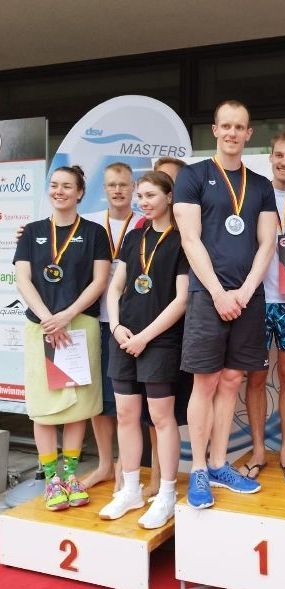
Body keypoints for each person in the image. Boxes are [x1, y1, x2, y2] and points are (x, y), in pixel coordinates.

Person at [174, 99, 277, 508]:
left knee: (233, 379)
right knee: (206, 381)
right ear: (215, 130)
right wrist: (218, 292)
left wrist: (245, 291)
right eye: (226, 126)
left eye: (240, 127)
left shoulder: (261, 185)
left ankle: (219, 463)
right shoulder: (193, 176)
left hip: (248, 297)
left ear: (248, 133)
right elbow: (190, 239)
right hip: (207, 296)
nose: (233, 133)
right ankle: (199, 468)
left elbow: (267, 242)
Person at [14, 166, 111, 510]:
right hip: (40, 327)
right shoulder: (32, 231)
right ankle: (51, 481)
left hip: (79, 326)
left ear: (80, 192)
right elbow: (22, 279)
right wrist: (47, 319)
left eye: (67, 186)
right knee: (43, 409)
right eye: (54, 185)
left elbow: (100, 281)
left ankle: (70, 476)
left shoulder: (95, 232)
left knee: (77, 406)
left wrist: (67, 316)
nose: (60, 191)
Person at [98, 171, 189, 528]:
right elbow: (115, 287)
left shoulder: (182, 239)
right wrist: (116, 327)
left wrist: (145, 337)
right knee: (125, 414)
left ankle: (166, 493)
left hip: (160, 341)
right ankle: (131, 489)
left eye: (151, 195)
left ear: (169, 196)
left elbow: (182, 300)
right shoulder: (134, 236)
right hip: (124, 337)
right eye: (141, 196)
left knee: (162, 419)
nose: (143, 202)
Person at [242, 130, 285, 482]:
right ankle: (258, 449)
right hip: (255, 300)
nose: (284, 162)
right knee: (255, 378)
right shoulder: (253, 197)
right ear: (270, 157)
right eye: (279, 155)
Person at [80, 162, 142, 491]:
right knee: (99, 399)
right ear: (103, 189)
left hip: (133, 324)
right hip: (95, 320)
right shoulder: (89, 224)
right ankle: (105, 463)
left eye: (123, 184)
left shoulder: (144, 223)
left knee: (130, 401)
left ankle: (124, 465)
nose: (118, 190)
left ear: (134, 187)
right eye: (112, 185)